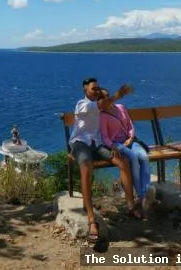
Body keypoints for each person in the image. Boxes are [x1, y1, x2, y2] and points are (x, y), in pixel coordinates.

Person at [69, 78, 135, 242]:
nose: (96, 91)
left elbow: (107, 111)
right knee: (86, 165)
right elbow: (101, 105)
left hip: (97, 144)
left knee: (123, 162)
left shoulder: (101, 106)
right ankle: (91, 219)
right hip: (80, 143)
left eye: (98, 88)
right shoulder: (81, 105)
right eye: (93, 89)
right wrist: (118, 94)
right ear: (85, 90)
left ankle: (131, 205)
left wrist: (113, 144)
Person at [98, 88, 156, 218]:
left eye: (108, 95)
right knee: (133, 158)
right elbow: (105, 137)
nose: (107, 98)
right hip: (117, 144)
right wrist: (114, 146)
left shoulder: (121, 107)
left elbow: (130, 125)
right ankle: (142, 195)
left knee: (144, 157)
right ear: (99, 101)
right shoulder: (102, 116)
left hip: (130, 140)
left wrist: (130, 137)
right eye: (103, 97)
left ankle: (145, 192)